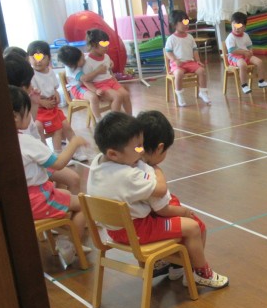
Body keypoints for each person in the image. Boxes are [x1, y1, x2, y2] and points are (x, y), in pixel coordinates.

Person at [87, 112, 229, 289]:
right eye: (138, 148)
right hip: (136, 230)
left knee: (178, 222)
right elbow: (160, 192)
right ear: (113, 154)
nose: (141, 151)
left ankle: (176, 266)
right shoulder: (130, 176)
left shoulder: (97, 162)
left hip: (114, 230)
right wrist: (158, 172)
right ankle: (200, 273)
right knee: (193, 227)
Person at [10, 85, 89, 265]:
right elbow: (58, 163)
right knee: (84, 204)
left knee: (68, 195)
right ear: (15, 117)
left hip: (19, 200)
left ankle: (65, 235)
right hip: (37, 199)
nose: (30, 117)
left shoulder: (2, 141)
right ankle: (71, 247)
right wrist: (74, 142)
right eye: (27, 113)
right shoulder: (25, 141)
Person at [136, 109, 211, 278]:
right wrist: (184, 212)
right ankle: (192, 271)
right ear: (160, 148)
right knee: (198, 226)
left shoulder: (130, 162)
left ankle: (176, 267)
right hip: (150, 220)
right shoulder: (150, 173)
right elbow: (162, 209)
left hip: (137, 220)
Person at [5, 51, 82, 195]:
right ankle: (58, 203)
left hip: (37, 159)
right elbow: (58, 164)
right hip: (34, 166)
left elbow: (29, 122)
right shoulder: (18, 125)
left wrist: (34, 104)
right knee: (71, 181)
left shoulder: (18, 107)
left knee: (70, 179)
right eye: (29, 83)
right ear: (21, 86)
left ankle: (58, 201)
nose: (32, 86)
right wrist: (75, 142)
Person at [26, 40, 87, 160]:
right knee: (53, 129)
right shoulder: (31, 74)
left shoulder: (50, 72)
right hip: (39, 110)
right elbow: (31, 95)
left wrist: (56, 94)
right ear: (29, 59)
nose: (38, 61)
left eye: (42, 57)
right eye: (34, 57)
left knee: (66, 126)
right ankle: (53, 155)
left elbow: (54, 88)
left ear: (49, 58)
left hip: (53, 107)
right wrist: (42, 102)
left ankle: (77, 151)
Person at [165, 10, 211, 106]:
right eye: (183, 22)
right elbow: (168, 52)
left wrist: (198, 60)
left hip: (190, 63)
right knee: (179, 73)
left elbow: (195, 50)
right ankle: (180, 94)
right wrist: (175, 60)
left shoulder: (190, 37)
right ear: (175, 24)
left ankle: (203, 92)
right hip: (178, 64)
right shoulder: (171, 39)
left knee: (201, 71)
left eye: (187, 22)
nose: (186, 24)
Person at [82, 29, 132, 114]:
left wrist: (115, 81)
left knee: (126, 95)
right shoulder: (87, 61)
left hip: (111, 82)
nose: (106, 47)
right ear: (93, 44)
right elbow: (86, 81)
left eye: (107, 44)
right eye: (103, 44)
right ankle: (114, 120)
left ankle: (130, 118)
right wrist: (95, 90)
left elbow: (110, 72)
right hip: (99, 85)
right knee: (117, 97)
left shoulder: (106, 57)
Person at [57, 45, 111, 122]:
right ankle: (99, 120)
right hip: (78, 88)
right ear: (73, 64)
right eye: (82, 59)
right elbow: (85, 79)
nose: (84, 59)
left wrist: (109, 61)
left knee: (106, 91)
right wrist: (98, 71)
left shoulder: (79, 56)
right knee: (93, 97)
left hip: (88, 84)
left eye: (82, 55)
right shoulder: (72, 70)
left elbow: (89, 56)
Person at [225, 12, 267, 94]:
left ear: (244, 27)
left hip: (245, 55)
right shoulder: (230, 37)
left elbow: (249, 46)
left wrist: (250, 52)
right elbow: (232, 51)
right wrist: (244, 52)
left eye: (239, 27)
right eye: (234, 26)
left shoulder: (245, 35)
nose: (237, 29)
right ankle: (244, 85)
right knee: (243, 65)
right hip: (234, 56)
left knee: (259, 62)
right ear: (231, 25)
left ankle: (261, 82)